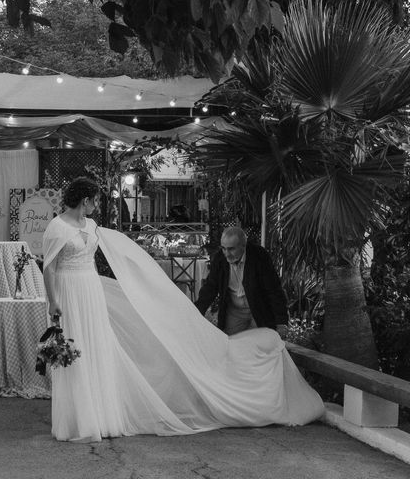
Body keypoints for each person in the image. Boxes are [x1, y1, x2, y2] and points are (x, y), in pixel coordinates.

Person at [43, 177, 323, 443]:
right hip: (69, 291)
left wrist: (279, 322)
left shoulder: (91, 225)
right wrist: (54, 300)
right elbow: (49, 267)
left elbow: (274, 291)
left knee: (97, 349)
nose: (95, 206)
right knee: (76, 349)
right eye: (93, 201)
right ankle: (79, 419)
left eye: (231, 248)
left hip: (90, 290)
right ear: (84, 199)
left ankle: (100, 414)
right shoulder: (57, 227)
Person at [195, 227, 288, 336]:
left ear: (243, 246)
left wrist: (281, 321)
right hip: (235, 311)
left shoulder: (259, 256)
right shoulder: (220, 259)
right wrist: (196, 312)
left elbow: (274, 289)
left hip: (258, 308)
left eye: (231, 249)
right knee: (230, 343)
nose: (227, 254)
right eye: (224, 248)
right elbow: (210, 287)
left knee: (260, 345)